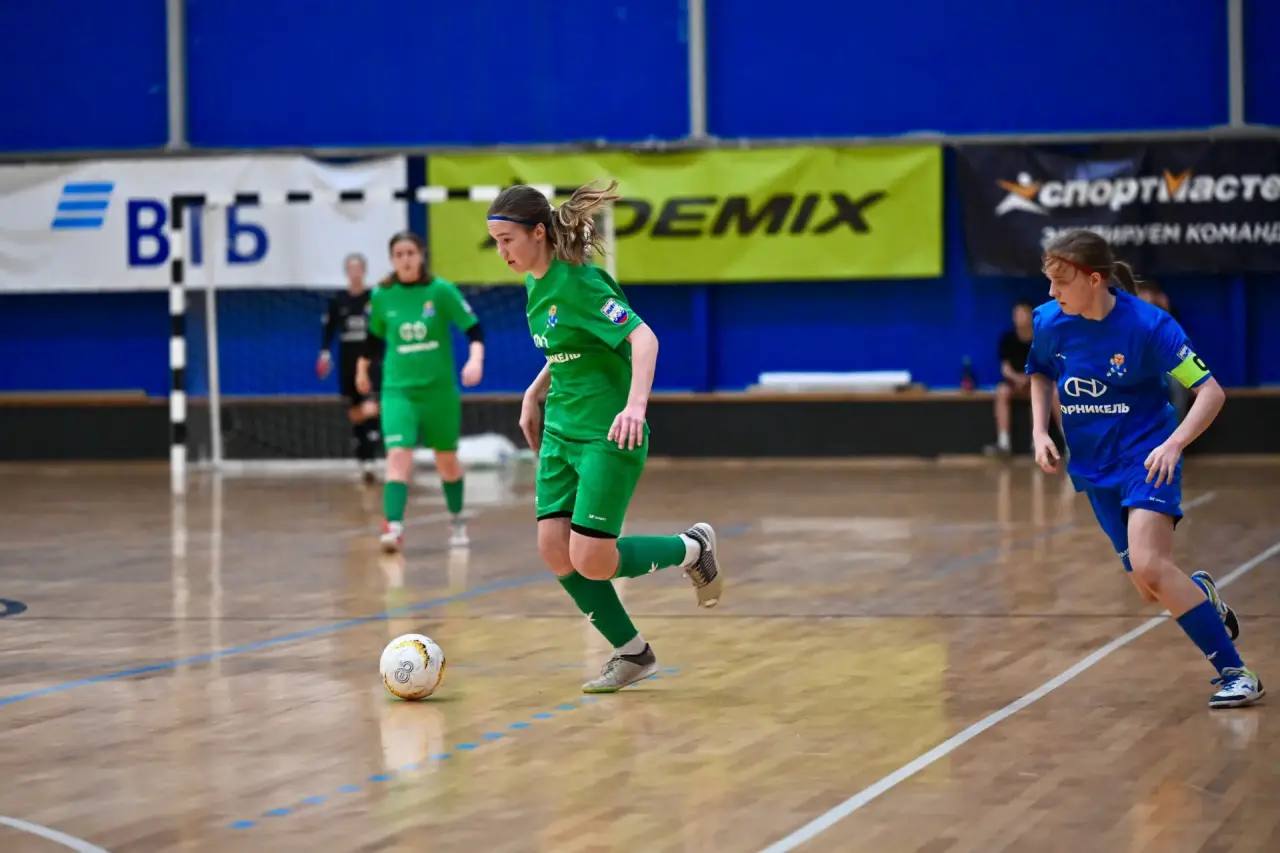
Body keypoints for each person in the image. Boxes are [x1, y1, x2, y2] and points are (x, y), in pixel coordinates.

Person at [485, 181, 723, 694]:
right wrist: (534, 392)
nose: (501, 252)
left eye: (507, 240)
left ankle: (691, 547)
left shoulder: (582, 283)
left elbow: (643, 338)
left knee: (592, 559)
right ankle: (633, 653)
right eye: (496, 242)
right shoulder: (534, 284)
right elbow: (568, 347)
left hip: (605, 433)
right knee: (555, 551)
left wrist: (635, 405)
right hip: (559, 432)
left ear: (539, 232)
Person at [1029, 229, 1262, 708]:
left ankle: (1237, 673)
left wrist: (1174, 444)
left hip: (1147, 458)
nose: (1052, 292)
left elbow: (1211, 392)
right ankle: (1202, 596)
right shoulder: (1050, 321)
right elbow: (1041, 373)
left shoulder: (1149, 326)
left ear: (1094, 279)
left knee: (1152, 566)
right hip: (1094, 467)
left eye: (1061, 281)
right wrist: (1038, 431)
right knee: (1149, 586)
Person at [356, 231, 484, 552]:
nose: (405, 260)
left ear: (421, 255)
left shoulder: (440, 291)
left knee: (446, 460)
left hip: (439, 392)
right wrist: (361, 370)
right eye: (399, 254)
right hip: (398, 391)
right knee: (398, 455)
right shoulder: (382, 296)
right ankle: (393, 526)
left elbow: (473, 328)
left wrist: (475, 360)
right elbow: (373, 339)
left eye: (410, 253)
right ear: (392, 260)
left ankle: (457, 519)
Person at [317, 253, 383, 484]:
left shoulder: (374, 298)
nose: (355, 273)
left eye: (358, 268)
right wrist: (325, 353)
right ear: (347, 272)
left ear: (364, 271)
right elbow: (329, 330)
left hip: (370, 361)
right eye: (351, 269)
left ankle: (371, 452)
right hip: (347, 362)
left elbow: (383, 327)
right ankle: (363, 455)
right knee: (355, 411)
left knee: (372, 406)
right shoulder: (339, 300)